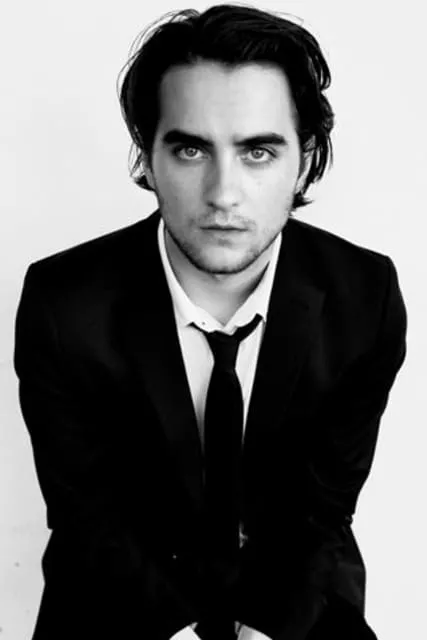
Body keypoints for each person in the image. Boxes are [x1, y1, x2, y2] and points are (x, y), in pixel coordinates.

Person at [14, 4, 407, 640]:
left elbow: (322, 509)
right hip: (117, 595)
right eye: (192, 149)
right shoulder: (63, 303)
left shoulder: (365, 296)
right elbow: (90, 518)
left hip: (294, 589)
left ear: (305, 161)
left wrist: (267, 628)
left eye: (258, 152)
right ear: (148, 157)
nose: (223, 194)